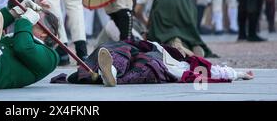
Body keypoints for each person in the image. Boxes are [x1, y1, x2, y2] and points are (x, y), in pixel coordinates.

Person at [54, 39, 253, 87]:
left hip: (159, 66)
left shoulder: (189, 63)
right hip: (138, 51)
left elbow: (217, 71)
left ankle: (111, 75)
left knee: (146, 66)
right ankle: (111, 71)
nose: (178, 44)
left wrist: (238, 74)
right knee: (119, 49)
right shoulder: (156, 44)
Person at [133, 0, 215, 58]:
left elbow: (137, 10)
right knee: (186, 33)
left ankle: (176, 46)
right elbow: (189, 7)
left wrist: (148, 24)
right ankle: (193, 45)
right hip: (188, 2)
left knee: (161, 33)